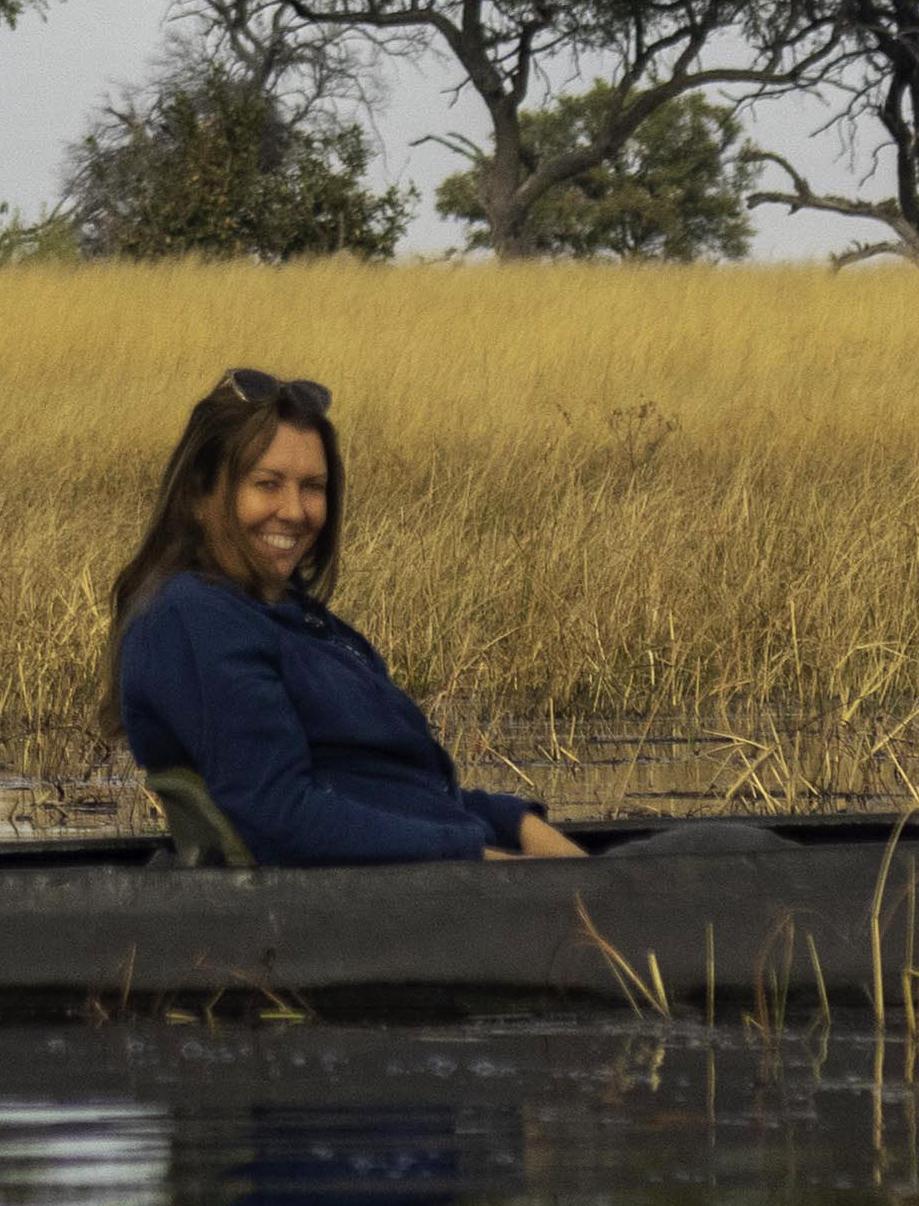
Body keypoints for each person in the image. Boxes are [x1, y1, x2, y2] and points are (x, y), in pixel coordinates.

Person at [106, 368, 580, 865]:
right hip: (401, 907)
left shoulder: (298, 620)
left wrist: (518, 825)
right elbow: (281, 815)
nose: (294, 511)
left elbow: (397, 788)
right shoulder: (196, 617)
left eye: (313, 487)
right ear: (199, 495)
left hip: (447, 883)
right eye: (267, 484)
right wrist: (477, 859)